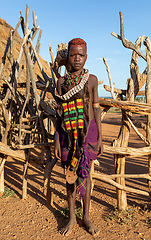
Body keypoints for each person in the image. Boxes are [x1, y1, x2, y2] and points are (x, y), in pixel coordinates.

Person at [55, 38, 103, 237]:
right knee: (69, 174)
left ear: (86, 57)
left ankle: (86, 217)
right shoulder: (61, 82)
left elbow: (96, 107)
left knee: (86, 174)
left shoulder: (91, 80)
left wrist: (100, 136)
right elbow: (58, 113)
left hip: (88, 133)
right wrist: (57, 139)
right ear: (67, 57)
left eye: (81, 55)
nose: (77, 59)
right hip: (67, 134)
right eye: (73, 55)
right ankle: (72, 217)